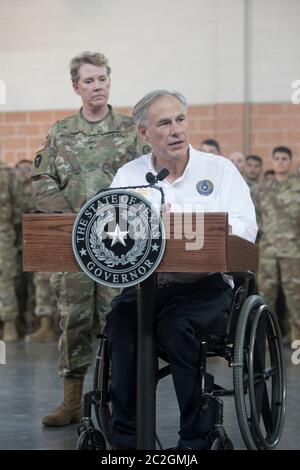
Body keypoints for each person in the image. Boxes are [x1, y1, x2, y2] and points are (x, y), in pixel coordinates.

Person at [107, 90, 257, 449]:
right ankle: (125, 440)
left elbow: (245, 228)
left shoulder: (219, 170)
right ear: (144, 133)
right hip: (147, 289)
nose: (176, 130)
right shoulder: (130, 175)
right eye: (164, 123)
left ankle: (196, 437)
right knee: (120, 325)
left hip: (205, 289)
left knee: (176, 327)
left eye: (180, 119)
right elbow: (107, 225)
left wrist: (192, 230)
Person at [31, 51, 145, 427]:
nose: (97, 86)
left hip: (121, 245)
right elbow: (43, 181)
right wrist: (73, 218)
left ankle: (116, 401)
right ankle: (72, 402)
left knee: (118, 319)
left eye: (102, 79)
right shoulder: (60, 132)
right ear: (76, 87)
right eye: (89, 81)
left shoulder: (131, 131)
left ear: (109, 82)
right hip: (73, 245)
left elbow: (150, 180)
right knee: (74, 319)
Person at [257, 146, 300, 344]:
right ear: (272, 162)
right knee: (266, 294)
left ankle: (296, 337)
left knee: (295, 296)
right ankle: (267, 337)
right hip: (268, 250)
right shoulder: (263, 188)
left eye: (285, 158)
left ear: (290, 162)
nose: (281, 162)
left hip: (293, 249)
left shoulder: (297, 186)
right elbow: (256, 218)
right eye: (277, 158)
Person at [0, 161, 24, 342]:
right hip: (5, 234)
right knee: (5, 279)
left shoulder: (6, 172)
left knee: (5, 280)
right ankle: (9, 326)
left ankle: (9, 325)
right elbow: (19, 207)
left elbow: (18, 206)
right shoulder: (7, 172)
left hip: (3, 234)